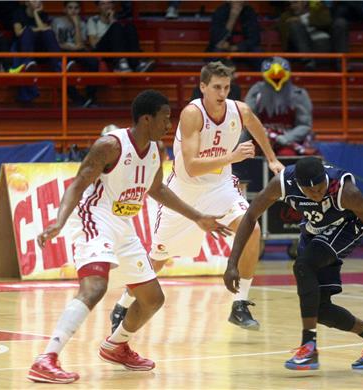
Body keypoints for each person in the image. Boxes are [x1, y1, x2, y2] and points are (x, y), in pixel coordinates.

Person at [28, 90, 231, 384]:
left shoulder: (156, 151)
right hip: (94, 218)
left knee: (152, 299)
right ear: (147, 118)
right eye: (165, 117)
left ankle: (116, 345)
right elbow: (78, 183)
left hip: (124, 225)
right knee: (96, 287)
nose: (169, 124)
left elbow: (158, 190)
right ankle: (46, 358)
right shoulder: (110, 146)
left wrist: (198, 217)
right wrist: (58, 223)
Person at [109, 61, 285, 333]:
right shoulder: (193, 113)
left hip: (221, 187)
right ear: (202, 87)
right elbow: (191, 165)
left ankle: (240, 304)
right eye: (216, 87)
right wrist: (233, 156)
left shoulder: (240, 110)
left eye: (226, 87)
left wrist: (272, 159)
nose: (222, 93)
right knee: (158, 259)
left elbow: (256, 125)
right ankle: (122, 304)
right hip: (184, 192)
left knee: (252, 229)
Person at [224, 157, 363, 370]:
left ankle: (309, 346)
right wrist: (232, 263)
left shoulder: (346, 192)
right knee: (320, 309)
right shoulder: (282, 183)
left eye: (320, 189)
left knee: (304, 264)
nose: (317, 194)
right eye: (310, 192)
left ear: (325, 180)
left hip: (347, 227)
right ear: (299, 185)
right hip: (314, 229)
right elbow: (251, 216)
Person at [244, 56, 317, 156]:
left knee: (287, 155)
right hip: (261, 138)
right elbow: (247, 118)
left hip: (288, 141)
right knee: (245, 149)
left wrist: (287, 138)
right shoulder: (256, 92)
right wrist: (261, 134)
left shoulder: (299, 94)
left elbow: (304, 125)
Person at [51, 0, 99, 107]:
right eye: (70, 8)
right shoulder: (57, 21)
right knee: (60, 69)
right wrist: (68, 47)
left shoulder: (82, 23)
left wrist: (76, 24)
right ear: (64, 9)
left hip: (77, 51)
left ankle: (90, 97)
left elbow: (80, 44)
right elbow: (55, 43)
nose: (73, 11)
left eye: (76, 8)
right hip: (62, 51)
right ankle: (78, 99)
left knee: (93, 62)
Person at [87, 0, 153, 72]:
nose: (107, 6)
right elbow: (93, 44)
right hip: (102, 51)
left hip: (117, 49)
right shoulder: (93, 20)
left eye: (109, 3)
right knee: (116, 27)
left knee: (130, 27)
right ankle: (119, 63)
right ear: (98, 7)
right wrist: (112, 26)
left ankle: (136, 63)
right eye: (103, 4)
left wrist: (112, 20)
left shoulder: (117, 20)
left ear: (113, 5)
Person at [207, 1, 262, 70]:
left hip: (243, 48)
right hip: (224, 48)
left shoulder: (249, 12)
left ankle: (260, 79)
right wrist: (232, 18)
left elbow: (255, 38)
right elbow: (216, 37)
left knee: (257, 53)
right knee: (215, 54)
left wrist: (238, 47)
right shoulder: (220, 11)